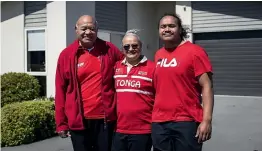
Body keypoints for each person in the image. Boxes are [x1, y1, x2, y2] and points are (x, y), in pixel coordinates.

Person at [55, 15, 123, 151]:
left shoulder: (109, 49)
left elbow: (126, 68)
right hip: (78, 119)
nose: (88, 32)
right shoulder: (67, 55)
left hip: (105, 119)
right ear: (76, 30)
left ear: (97, 30)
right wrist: (61, 123)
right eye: (84, 28)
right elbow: (60, 89)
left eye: (92, 28)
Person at [152, 13, 214, 151]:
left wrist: (207, 120)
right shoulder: (158, 54)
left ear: (180, 29)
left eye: (171, 26)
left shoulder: (195, 52)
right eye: (163, 26)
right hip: (159, 121)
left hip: (187, 120)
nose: (167, 29)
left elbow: (207, 86)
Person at [111, 29, 155, 151]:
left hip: (143, 130)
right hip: (118, 129)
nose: (131, 49)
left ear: (141, 47)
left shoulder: (152, 68)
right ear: (122, 49)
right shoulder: (115, 67)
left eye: (135, 45)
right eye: (127, 46)